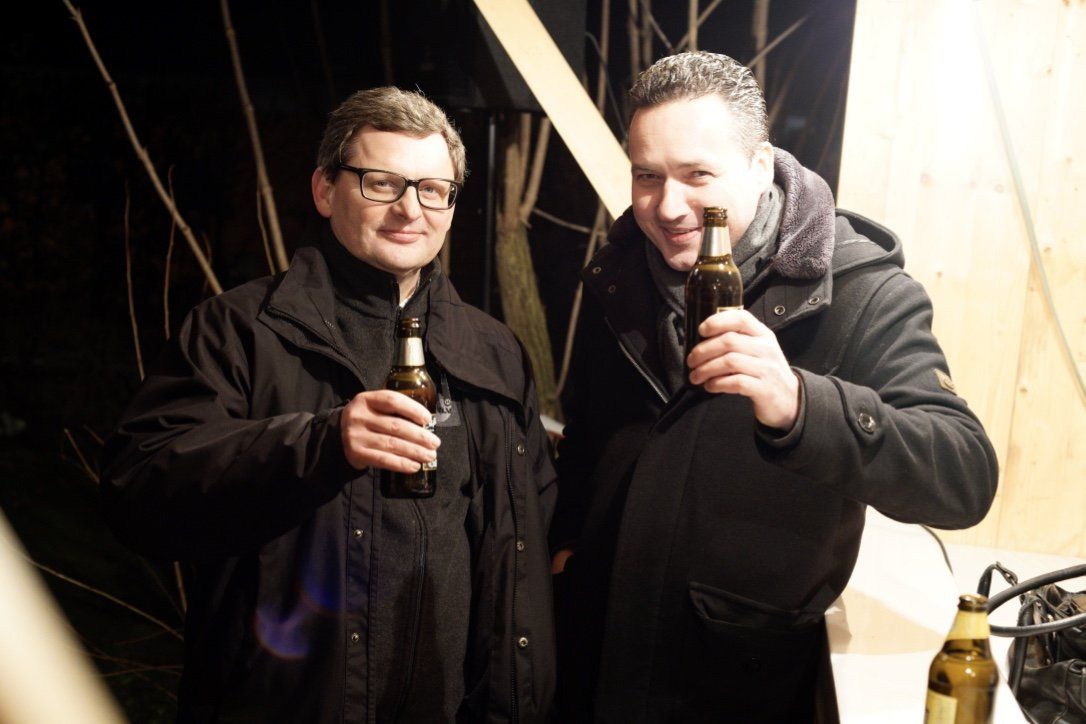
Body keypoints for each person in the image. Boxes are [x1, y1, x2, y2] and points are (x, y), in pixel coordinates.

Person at [549, 51, 999, 722]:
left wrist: (800, 404)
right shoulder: (615, 276)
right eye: (647, 176)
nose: (667, 206)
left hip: (742, 680)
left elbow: (963, 477)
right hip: (595, 655)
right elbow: (589, 435)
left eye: (697, 175)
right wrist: (566, 549)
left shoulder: (863, 292)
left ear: (760, 165)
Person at [100, 87, 556, 723]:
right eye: (381, 183)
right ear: (324, 190)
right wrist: (320, 443)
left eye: (433, 189)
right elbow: (139, 490)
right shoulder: (239, 330)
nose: (409, 209)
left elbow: (532, 535)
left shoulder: (494, 351)